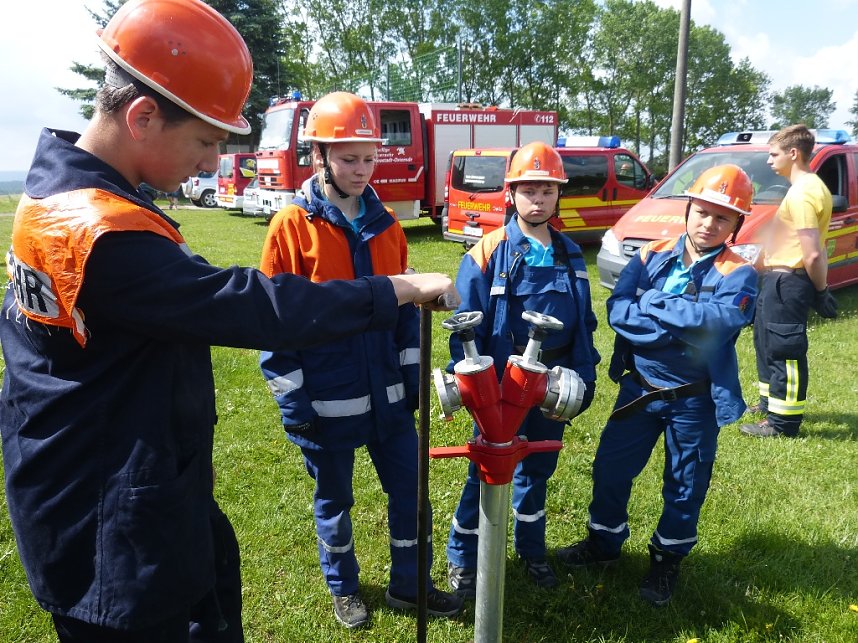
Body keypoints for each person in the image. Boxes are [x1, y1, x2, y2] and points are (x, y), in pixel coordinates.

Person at [0, 2, 457, 642]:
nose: (213, 164)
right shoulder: (102, 233)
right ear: (142, 116)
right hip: (114, 538)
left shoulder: (62, 199)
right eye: (207, 141)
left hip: (112, 488)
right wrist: (397, 289)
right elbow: (248, 303)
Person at [257, 91, 463, 629]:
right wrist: (294, 402)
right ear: (320, 155)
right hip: (326, 401)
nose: (361, 169)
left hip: (390, 401)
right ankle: (344, 588)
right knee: (336, 502)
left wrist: (414, 381)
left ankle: (407, 584)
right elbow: (273, 323)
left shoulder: (388, 226)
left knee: (410, 493)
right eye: (348, 158)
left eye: (369, 157)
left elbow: (402, 315)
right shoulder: (291, 227)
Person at [556, 165, 758, 606]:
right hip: (640, 388)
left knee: (686, 483)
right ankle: (604, 544)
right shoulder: (651, 255)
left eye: (722, 218)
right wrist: (672, 324)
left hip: (694, 399)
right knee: (611, 467)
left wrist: (654, 302)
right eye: (702, 212)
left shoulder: (739, 273)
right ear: (688, 209)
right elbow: (619, 310)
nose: (708, 224)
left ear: (736, 225)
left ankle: (666, 563)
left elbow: (716, 325)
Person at [444, 141, 600, 597]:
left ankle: (531, 552)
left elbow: (584, 324)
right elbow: (463, 328)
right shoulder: (486, 253)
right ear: (510, 194)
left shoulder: (572, 256)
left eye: (547, 191)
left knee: (537, 471)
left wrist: (581, 380)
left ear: (558, 196)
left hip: (551, 387)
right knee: (483, 473)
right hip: (499, 390)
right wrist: (475, 389)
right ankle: (463, 558)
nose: (538, 199)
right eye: (529, 189)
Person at [740, 124, 837, 438]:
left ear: (793, 154)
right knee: (767, 344)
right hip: (776, 280)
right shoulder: (802, 189)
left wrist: (820, 290)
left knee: (785, 350)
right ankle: (770, 404)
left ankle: (783, 424)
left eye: (774, 154)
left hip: (789, 282)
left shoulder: (805, 193)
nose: (769, 161)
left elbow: (812, 253)